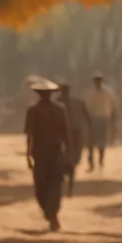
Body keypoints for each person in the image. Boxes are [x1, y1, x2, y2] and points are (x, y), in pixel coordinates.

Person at [25, 78, 70, 231]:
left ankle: (51, 213)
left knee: (48, 183)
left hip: (47, 151)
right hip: (46, 151)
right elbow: (66, 134)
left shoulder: (38, 110)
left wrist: (28, 154)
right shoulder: (54, 109)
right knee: (49, 184)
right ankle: (50, 212)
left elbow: (30, 135)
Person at [57, 78, 91, 197]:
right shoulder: (76, 102)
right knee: (70, 163)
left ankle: (65, 187)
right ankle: (69, 188)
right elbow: (88, 118)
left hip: (67, 135)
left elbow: (87, 118)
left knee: (66, 162)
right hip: (72, 135)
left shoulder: (58, 103)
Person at [84, 71, 117, 171]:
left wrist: (113, 121)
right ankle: (91, 163)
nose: (97, 82)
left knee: (102, 142)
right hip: (92, 119)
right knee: (90, 142)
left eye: (99, 80)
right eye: (96, 81)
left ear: (101, 81)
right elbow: (86, 107)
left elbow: (113, 106)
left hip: (104, 119)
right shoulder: (90, 93)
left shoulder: (108, 92)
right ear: (94, 82)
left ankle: (101, 160)